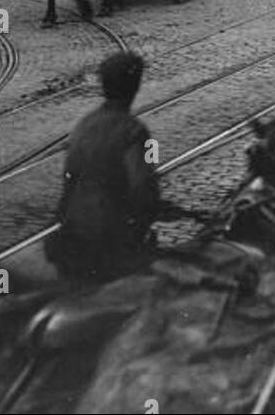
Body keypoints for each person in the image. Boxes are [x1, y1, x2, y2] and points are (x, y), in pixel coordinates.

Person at [44, 53, 179, 283]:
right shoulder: (134, 131)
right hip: (109, 241)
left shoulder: (84, 124)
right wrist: (157, 209)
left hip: (71, 236)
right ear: (135, 86)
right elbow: (143, 190)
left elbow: (70, 182)